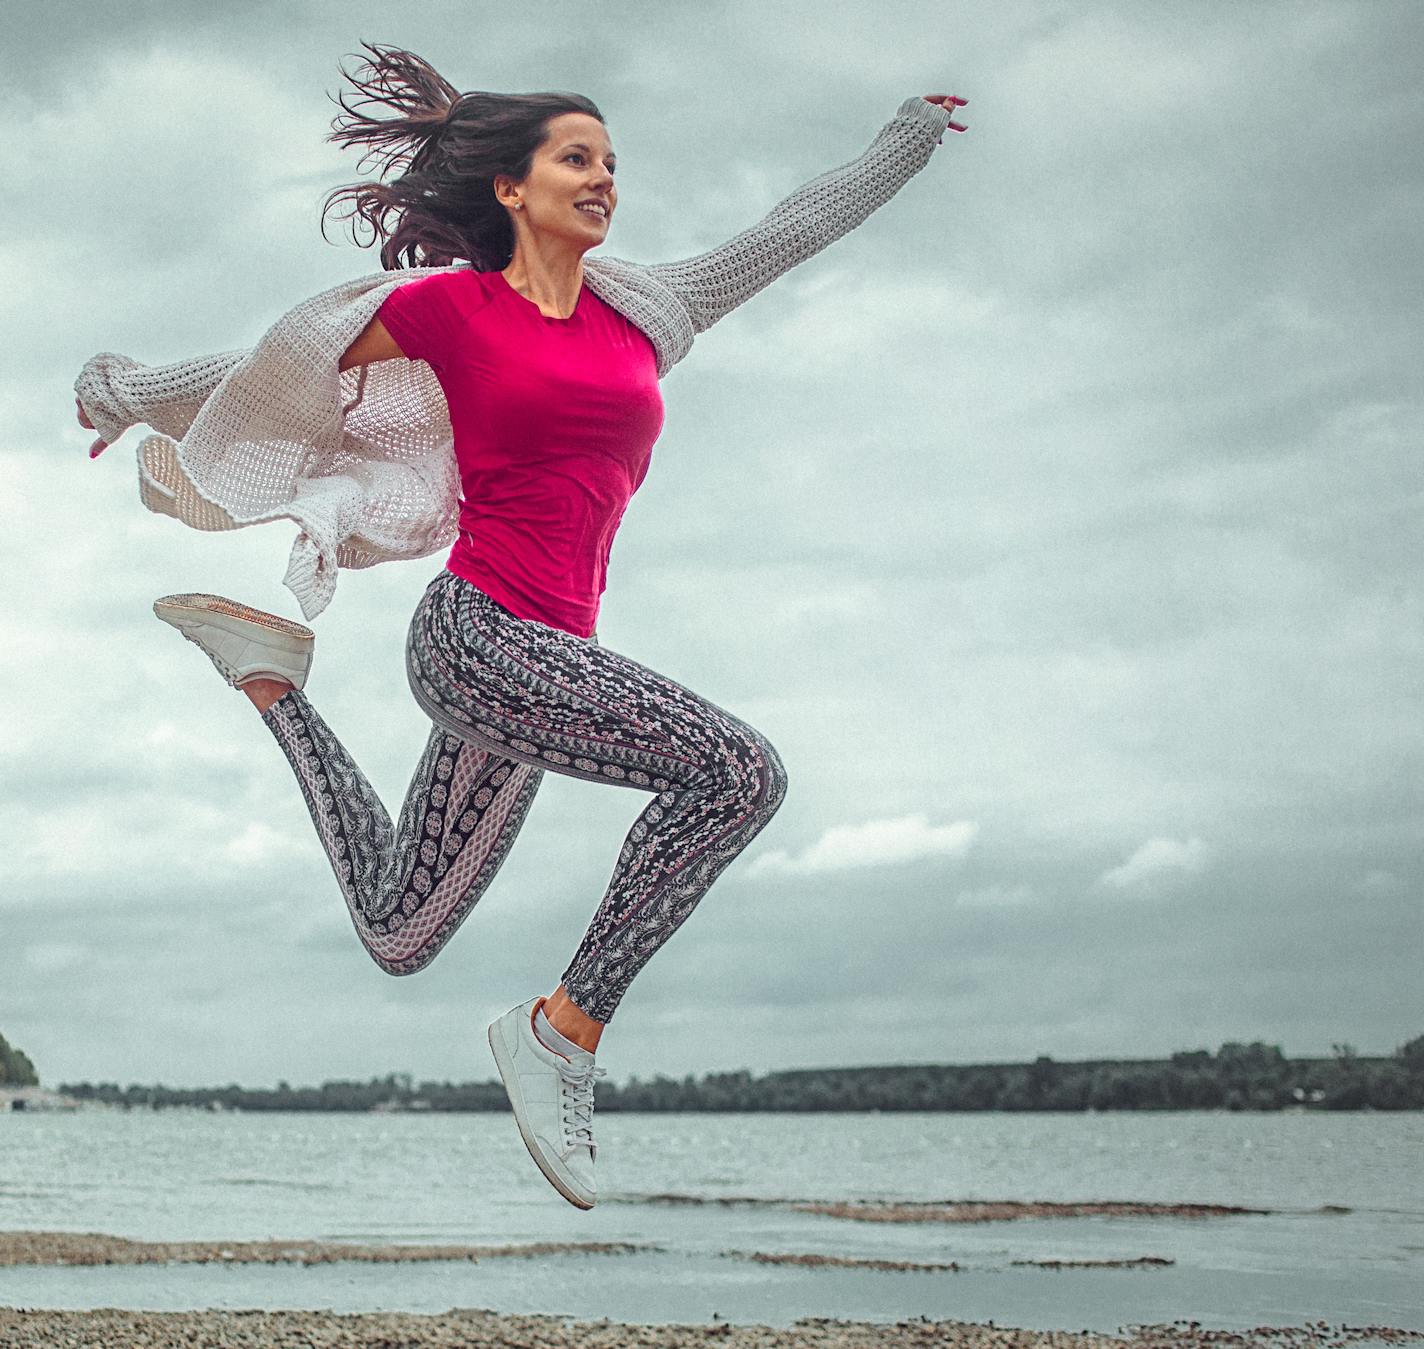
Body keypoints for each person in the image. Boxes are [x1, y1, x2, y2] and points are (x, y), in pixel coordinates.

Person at [73, 43, 968, 1210]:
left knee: (401, 924)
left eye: (610, 161)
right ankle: (562, 1033)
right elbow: (266, 369)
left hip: (551, 662)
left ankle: (269, 679)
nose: (603, 178)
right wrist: (117, 388)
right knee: (738, 772)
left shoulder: (650, 309)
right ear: (512, 185)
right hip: (479, 636)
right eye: (576, 158)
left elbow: (792, 226)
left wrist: (900, 143)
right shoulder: (450, 309)